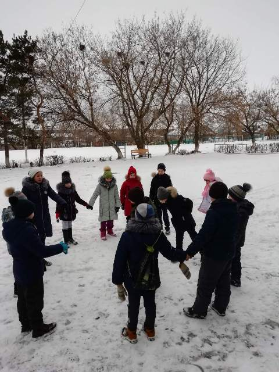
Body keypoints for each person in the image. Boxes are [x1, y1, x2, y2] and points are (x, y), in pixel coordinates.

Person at [112, 203, 188, 343]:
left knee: (133, 305)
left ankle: (132, 331)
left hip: (132, 278)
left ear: (136, 216)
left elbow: (120, 258)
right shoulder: (157, 235)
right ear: (153, 217)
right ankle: (150, 329)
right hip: (151, 276)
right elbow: (170, 253)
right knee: (150, 303)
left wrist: (117, 280)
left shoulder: (128, 235)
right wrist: (184, 255)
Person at [2, 197, 69, 338]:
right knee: (35, 300)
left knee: (23, 298)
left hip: (19, 269)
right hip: (31, 270)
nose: (34, 213)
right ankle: (38, 327)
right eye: (32, 211)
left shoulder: (10, 227)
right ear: (26, 213)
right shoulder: (26, 230)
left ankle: (25, 324)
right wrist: (60, 247)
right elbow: (41, 251)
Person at [183, 182, 238, 319]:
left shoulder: (214, 212)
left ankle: (199, 310)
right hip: (228, 253)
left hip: (214, 255)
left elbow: (204, 235)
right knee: (224, 281)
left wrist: (190, 252)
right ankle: (220, 306)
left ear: (212, 196)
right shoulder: (233, 208)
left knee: (205, 283)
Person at [22, 168, 67, 244]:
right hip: (33, 214)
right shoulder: (27, 188)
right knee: (35, 232)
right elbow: (22, 200)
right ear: (33, 177)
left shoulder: (45, 185)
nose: (40, 177)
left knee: (43, 231)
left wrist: (62, 202)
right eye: (37, 176)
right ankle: (36, 249)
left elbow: (53, 194)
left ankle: (42, 247)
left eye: (41, 175)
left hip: (44, 213)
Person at [2, 187, 28, 297]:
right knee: (19, 268)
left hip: (23, 245)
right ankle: (18, 288)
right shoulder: (11, 213)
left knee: (24, 266)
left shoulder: (18, 211)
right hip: (17, 247)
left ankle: (23, 285)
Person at [228, 183, 254, 287]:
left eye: (230, 196)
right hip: (237, 239)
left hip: (234, 239)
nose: (228, 197)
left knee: (233, 259)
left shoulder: (240, 211)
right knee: (235, 258)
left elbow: (237, 228)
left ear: (235, 197)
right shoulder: (239, 206)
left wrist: (232, 241)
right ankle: (235, 278)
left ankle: (235, 279)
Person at [56, 171, 92, 245]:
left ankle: (70, 238)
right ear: (63, 184)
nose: (68, 184)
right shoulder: (61, 192)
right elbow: (58, 203)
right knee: (65, 225)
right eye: (66, 183)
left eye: (69, 183)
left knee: (69, 224)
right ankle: (66, 240)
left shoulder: (73, 191)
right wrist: (57, 213)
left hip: (71, 211)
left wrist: (86, 204)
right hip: (64, 212)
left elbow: (78, 199)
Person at [88, 166, 121, 240]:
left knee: (111, 220)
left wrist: (117, 205)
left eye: (110, 178)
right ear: (104, 178)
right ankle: (103, 232)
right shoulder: (100, 186)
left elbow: (117, 196)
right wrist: (90, 204)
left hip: (112, 206)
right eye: (107, 178)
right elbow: (95, 195)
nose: (109, 180)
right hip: (103, 206)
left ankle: (110, 230)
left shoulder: (114, 186)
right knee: (103, 221)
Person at [149, 163, 172, 235]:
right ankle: (160, 227)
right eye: (159, 170)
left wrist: (169, 198)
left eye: (161, 171)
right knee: (158, 214)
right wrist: (151, 198)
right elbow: (152, 189)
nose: (160, 172)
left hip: (164, 200)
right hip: (156, 200)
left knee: (165, 214)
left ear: (164, 170)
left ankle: (167, 227)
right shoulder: (155, 178)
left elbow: (170, 188)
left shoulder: (167, 178)